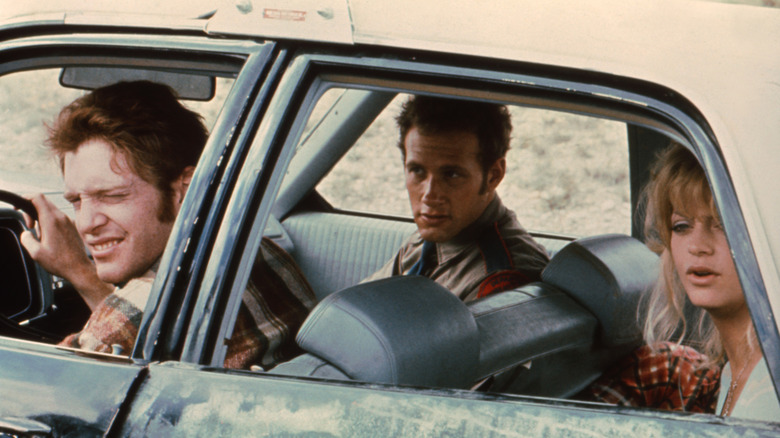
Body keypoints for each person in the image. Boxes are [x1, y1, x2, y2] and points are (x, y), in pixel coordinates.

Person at [20, 81, 316, 370]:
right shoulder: (261, 251)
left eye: (112, 196)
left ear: (184, 190)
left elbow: (40, 403)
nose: (86, 224)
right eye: (76, 200)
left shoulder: (119, 325)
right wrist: (80, 273)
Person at [584, 143, 780, 421]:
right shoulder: (734, 372)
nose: (698, 246)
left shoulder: (769, 380)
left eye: (723, 225)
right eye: (682, 227)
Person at [364, 95, 549, 301]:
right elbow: (361, 303)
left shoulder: (502, 281)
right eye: (417, 171)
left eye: (451, 174)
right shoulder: (429, 238)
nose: (429, 195)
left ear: (493, 175)